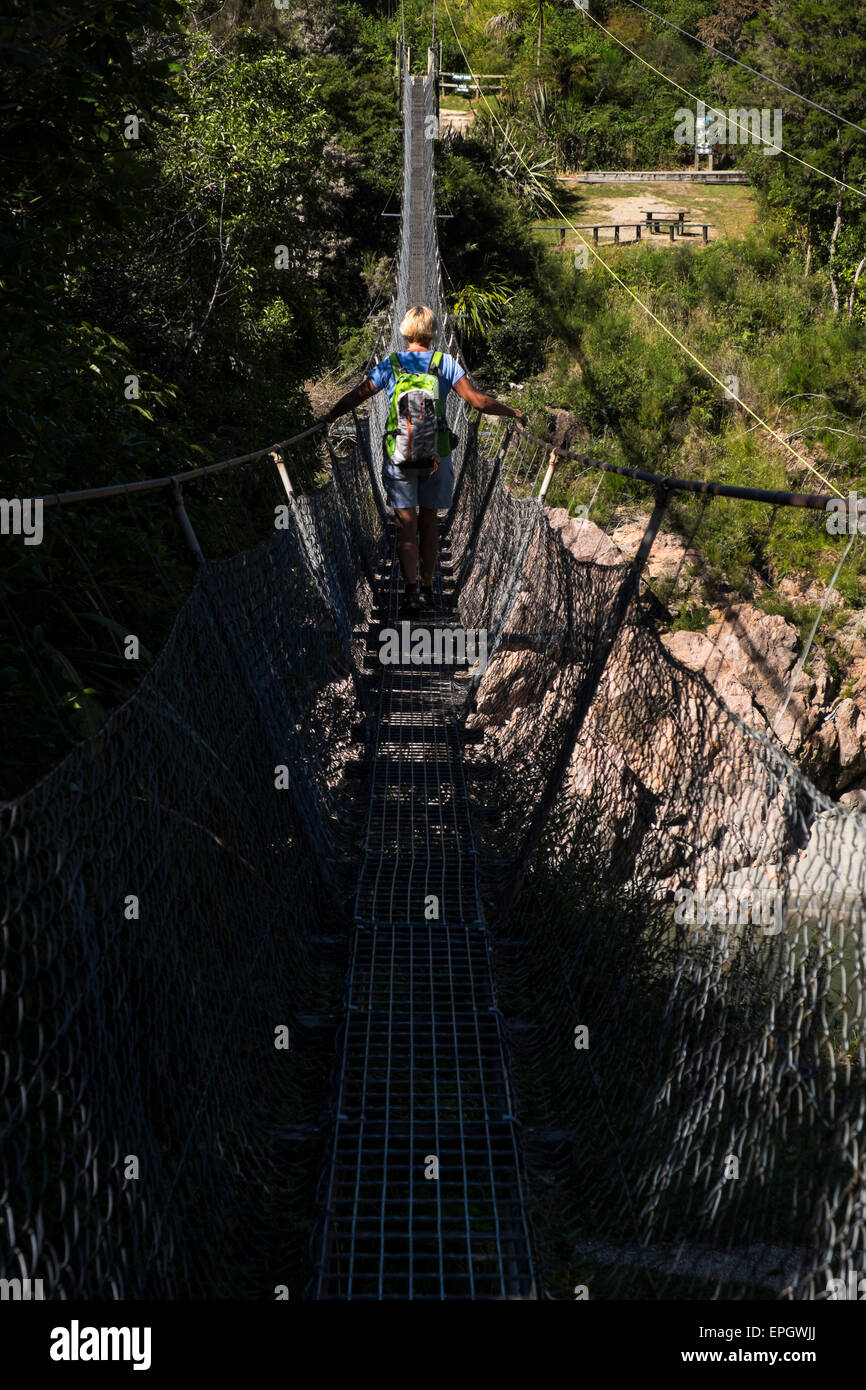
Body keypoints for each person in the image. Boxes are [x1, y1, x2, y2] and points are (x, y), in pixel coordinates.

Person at [324, 304, 528, 615]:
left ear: (404, 331)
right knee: (430, 522)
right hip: (437, 456)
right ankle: (430, 588)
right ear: (433, 332)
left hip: (399, 454)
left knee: (406, 524)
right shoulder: (445, 363)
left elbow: (358, 394)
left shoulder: (391, 364)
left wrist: (328, 417)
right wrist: (512, 411)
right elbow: (477, 401)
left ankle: (410, 592)